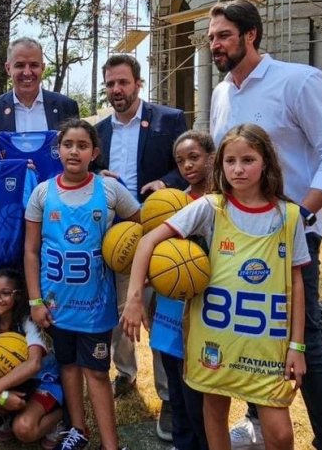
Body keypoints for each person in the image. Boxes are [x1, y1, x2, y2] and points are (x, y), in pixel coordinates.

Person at [121, 123, 308, 450]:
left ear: (266, 162)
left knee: (279, 434)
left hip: (267, 343)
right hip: (215, 339)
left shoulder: (287, 215)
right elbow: (149, 239)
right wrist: (135, 296)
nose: (238, 169)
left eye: (248, 160)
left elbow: (295, 283)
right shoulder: (211, 207)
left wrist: (298, 346)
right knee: (214, 413)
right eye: (230, 161)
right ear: (220, 165)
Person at [208, 0, 322, 449]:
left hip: (292, 236)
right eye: (211, 37)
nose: (215, 45)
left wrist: (300, 214)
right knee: (249, 333)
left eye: (224, 35)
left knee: (304, 342)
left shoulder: (300, 81)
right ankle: (255, 422)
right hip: (237, 239)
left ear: (251, 35)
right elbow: (219, 162)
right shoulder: (221, 91)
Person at [25, 119, 140, 450]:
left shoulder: (110, 190)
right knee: (69, 367)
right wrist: (35, 301)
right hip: (56, 305)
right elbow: (31, 251)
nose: (74, 151)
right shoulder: (43, 193)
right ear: (58, 150)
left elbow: (140, 227)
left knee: (98, 374)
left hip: (95, 306)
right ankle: (78, 429)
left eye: (82, 145)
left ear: (95, 152)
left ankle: (111, 443)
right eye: (68, 145)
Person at [94, 54, 187, 440]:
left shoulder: (169, 120)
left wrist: (166, 182)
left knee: (158, 315)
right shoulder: (98, 130)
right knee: (118, 312)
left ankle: (168, 395)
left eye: (123, 83)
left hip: (161, 234)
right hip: (118, 238)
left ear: (138, 83)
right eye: (110, 84)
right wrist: (98, 174)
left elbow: (188, 164)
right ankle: (126, 373)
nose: (117, 90)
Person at [149, 130, 214, 450]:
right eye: (180, 161)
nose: (187, 165)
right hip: (171, 303)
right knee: (175, 380)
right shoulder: (172, 202)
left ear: (212, 157)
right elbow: (158, 254)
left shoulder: (222, 202)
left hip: (209, 306)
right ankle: (183, 442)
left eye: (194, 157)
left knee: (200, 387)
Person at [0, 268, 64, 449]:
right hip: (13, 385)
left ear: (18, 296)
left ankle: (63, 416)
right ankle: (11, 414)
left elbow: (34, 363)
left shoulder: (28, 321)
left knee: (23, 430)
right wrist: (2, 394)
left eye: (5, 293)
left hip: (44, 382)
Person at [0, 37, 79, 176]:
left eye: (34, 65)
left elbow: (79, 152)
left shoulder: (66, 106)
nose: (27, 72)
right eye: (20, 65)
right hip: (11, 194)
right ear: (8, 68)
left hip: (57, 193)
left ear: (42, 68)